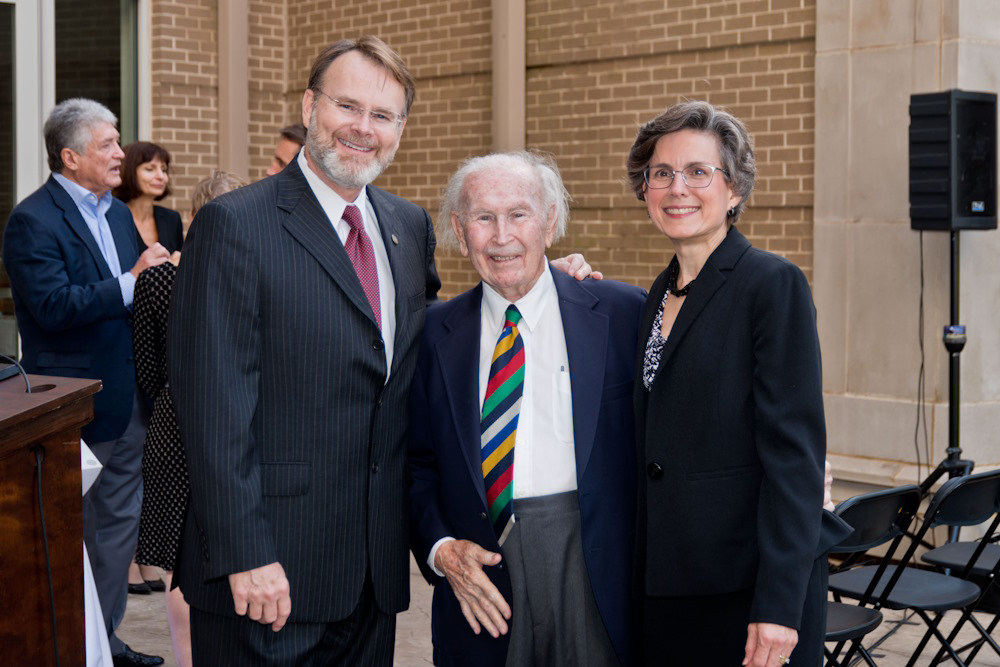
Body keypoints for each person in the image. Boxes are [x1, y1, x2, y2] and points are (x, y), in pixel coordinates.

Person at [408, 151, 645, 666]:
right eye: (483, 217)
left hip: (595, 570)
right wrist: (441, 547)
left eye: (519, 214)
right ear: (458, 228)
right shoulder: (431, 337)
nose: (501, 236)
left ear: (550, 221)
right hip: (483, 584)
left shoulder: (623, 315)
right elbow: (416, 466)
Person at [627, 100, 828, 666]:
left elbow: (796, 460)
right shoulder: (655, 296)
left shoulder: (772, 285)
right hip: (668, 585)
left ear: (734, 189)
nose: (676, 188)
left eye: (697, 172)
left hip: (747, 592)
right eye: (660, 173)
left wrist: (779, 606)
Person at [2, 97, 169, 667]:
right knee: (68, 539)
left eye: (118, 142)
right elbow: (51, 306)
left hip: (128, 402)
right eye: (108, 144)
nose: (121, 152)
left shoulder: (119, 214)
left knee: (116, 534)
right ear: (70, 157)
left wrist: (153, 277)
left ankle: (106, 643)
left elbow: (130, 293)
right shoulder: (32, 220)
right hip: (70, 407)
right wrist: (131, 280)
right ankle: (69, 647)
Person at [132, 169, 248, 667]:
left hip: (174, 423)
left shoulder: (160, 279)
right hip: (226, 428)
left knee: (186, 562)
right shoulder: (247, 278)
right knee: (218, 552)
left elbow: (147, 369)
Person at [114, 141, 184, 260]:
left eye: (163, 169)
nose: (160, 176)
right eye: (150, 169)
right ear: (129, 172)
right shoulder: (113, 218)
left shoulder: (172, 219)